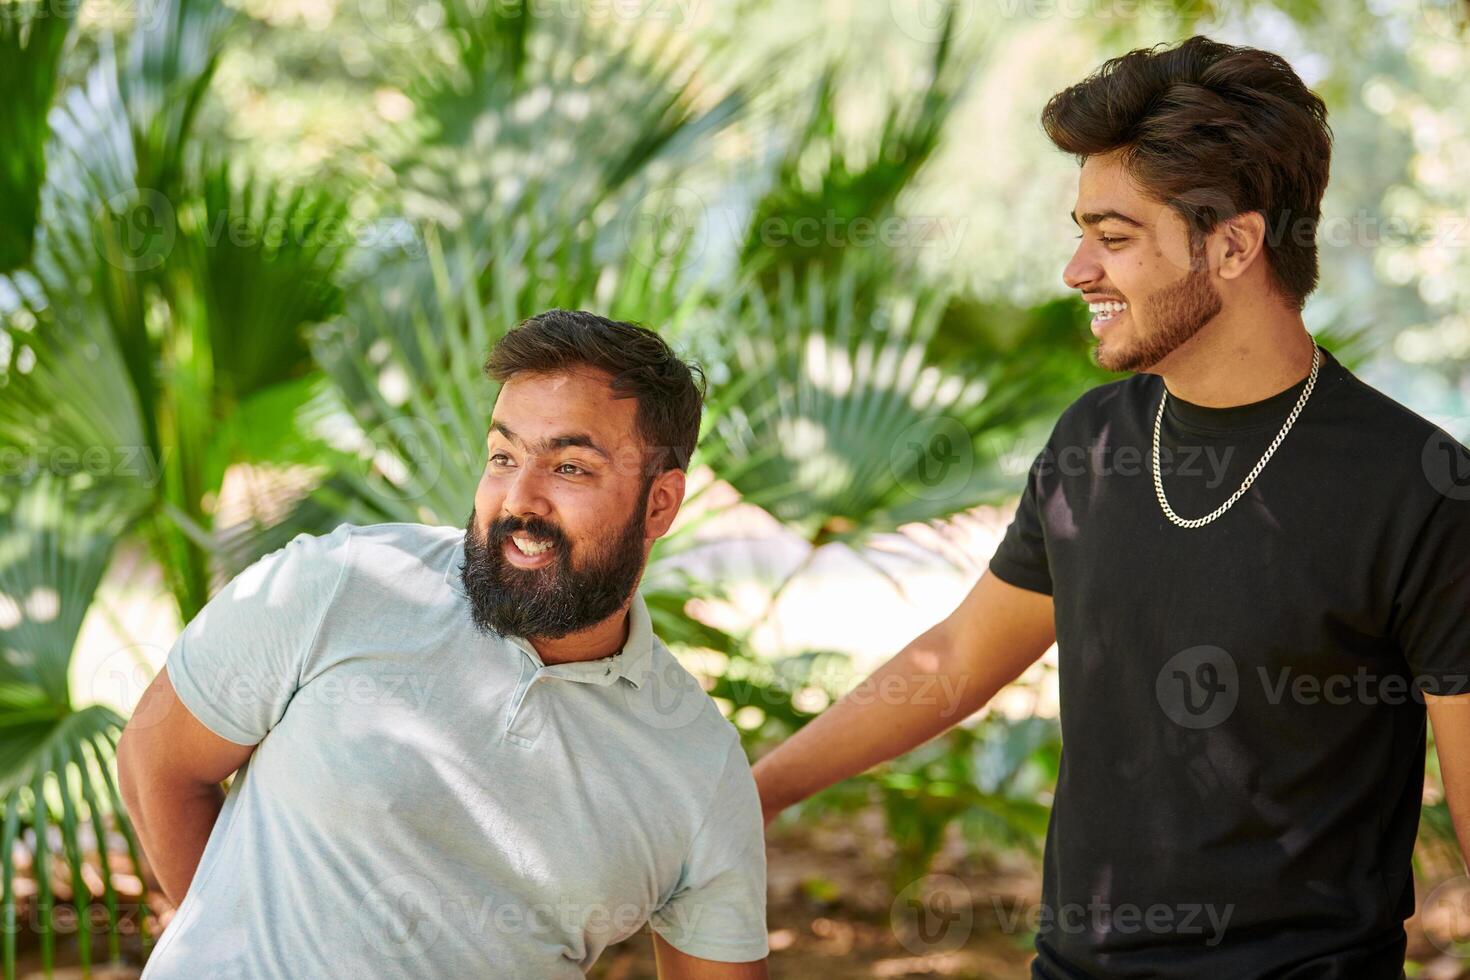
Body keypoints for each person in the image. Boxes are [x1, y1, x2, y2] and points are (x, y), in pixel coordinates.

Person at [752, 35, 1470, 978]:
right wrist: (752, 793)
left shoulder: (1420, 487)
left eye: (1116, 237)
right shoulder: (1093, 441)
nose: (1077, 270)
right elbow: (957, 659)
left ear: (1234, 243)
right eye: (1082, 231)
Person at [119, 310, 770, 979]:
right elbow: (157, 764)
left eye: (570, 467)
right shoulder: (341, 584)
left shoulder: (698, 767)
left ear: (660, 504)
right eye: (503, 456)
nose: (520, 498)